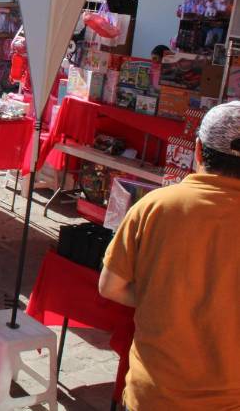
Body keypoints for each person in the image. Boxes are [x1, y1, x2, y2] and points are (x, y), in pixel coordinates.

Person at [99, 101, 240, 409]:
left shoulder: (155, 206)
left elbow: (110, 286)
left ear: (198, 150)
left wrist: (165, 297)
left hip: (155, 394)